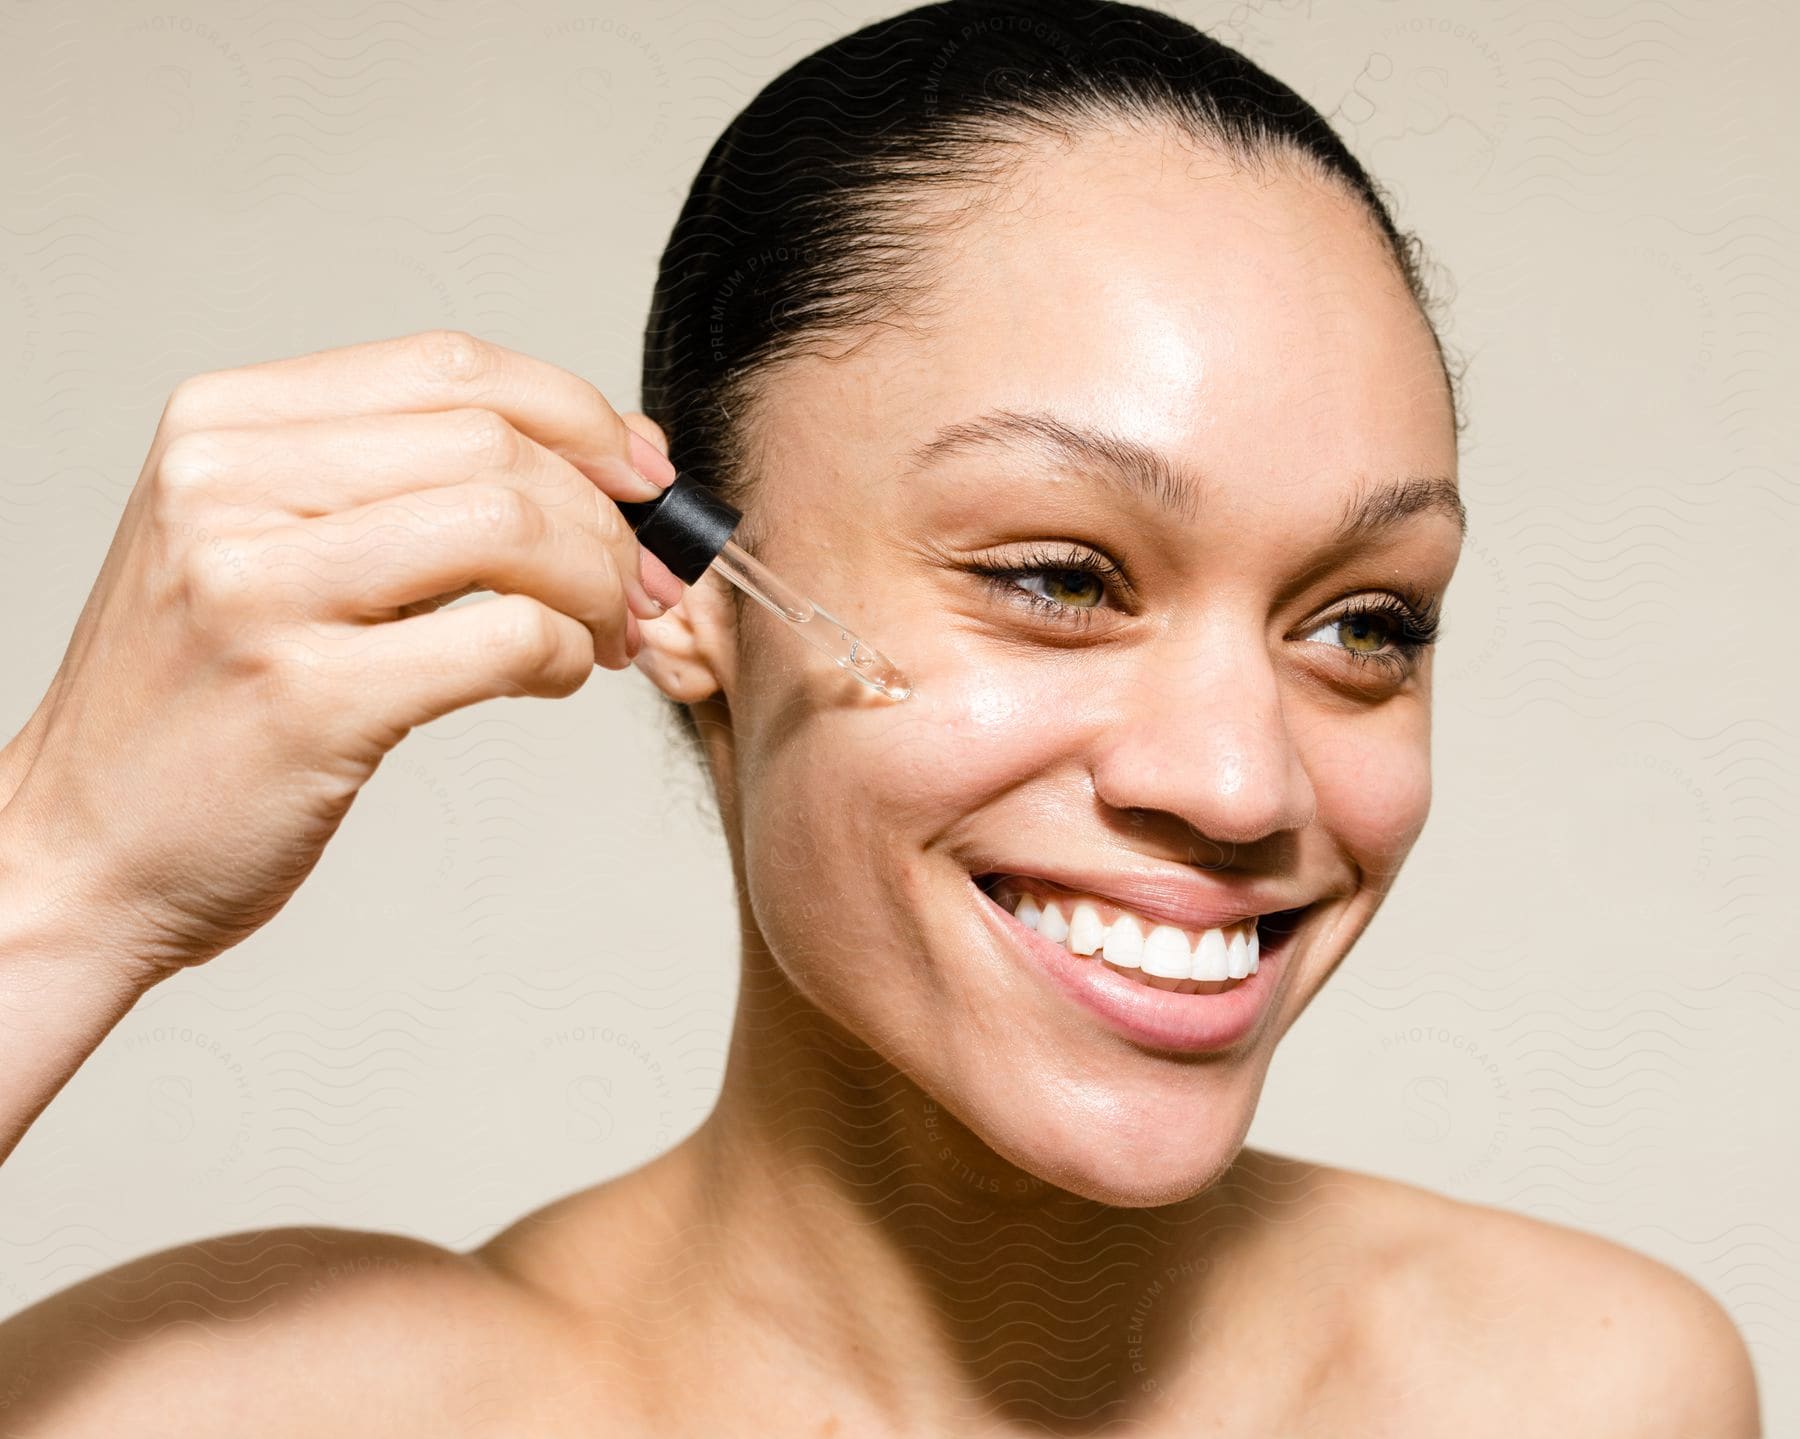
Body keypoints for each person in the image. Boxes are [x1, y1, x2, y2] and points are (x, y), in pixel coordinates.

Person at [0, 1, 1762, 1432]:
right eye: (1062, 577)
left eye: (1367, 621)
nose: (1240, 781)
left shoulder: (1580, 1388)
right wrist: (58, 876)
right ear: (681, 589)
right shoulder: (241, 1408)